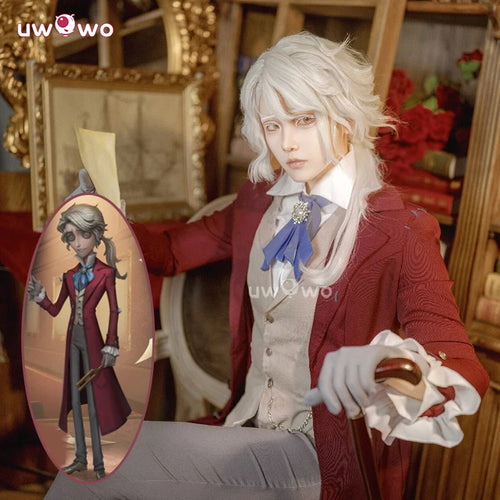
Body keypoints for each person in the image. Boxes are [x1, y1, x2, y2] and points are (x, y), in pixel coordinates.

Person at [45, 32, 488, 499]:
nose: (287, 143)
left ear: (343, 114)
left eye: (304, 120)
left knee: (96, 458)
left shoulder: (400, 230)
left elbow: (461, 367)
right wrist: (102, 219)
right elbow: (172, 251)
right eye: (273, 126)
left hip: (325, 457)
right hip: (245, 426)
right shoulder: (259, 202)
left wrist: (386, 364)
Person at [28, 203, 131, 480]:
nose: (77, 242)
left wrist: (111, 344)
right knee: (74, 399)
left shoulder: (106, 273)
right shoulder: (69, 275)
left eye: (83, 234)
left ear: (96, 235)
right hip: (72, 340)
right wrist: (40, 297)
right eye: (71, 236)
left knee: (95, 402)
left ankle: (99, 463)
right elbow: (55, 309)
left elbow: (113, 310)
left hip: (94, 340)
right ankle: (80, 458)